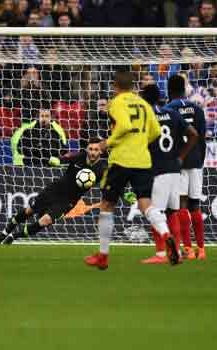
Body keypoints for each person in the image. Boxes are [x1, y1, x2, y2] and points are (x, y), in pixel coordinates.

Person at [84, 71, 179, 270]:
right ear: (133, 86)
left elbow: (125, 125)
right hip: (143, 161)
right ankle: (165, 233)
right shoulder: (144, 104)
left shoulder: (117, 102)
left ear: (115, 86)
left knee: (106, 205)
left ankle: (103, 255)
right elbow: (155, 131)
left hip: (121, 160)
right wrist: (139, 143)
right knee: (146, 204)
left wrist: (106, 143)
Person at [0, 138, 107, 244]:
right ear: (87, 149)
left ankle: (14, 236)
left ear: (101, 152)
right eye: (90, 149)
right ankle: (4, 232)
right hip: (55, 190)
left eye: (96, 150)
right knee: (30, 211)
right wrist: (57, 160)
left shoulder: (101, 170)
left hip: (68, 201)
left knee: (45, 221)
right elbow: (65, 158)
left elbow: (106, 185)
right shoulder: (79, 157)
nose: (92, 152)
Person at [139, 83, 199, 265]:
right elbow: (194, 134)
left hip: (157, 169)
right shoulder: (173, 113)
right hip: (175, 169)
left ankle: (160, 254)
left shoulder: (146, 116)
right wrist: (180, 157)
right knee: (173, 212)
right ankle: (177, 251)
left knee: (154, 212)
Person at [166, 74, 208, 260]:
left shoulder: (168, 109)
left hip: (179, 162)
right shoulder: (198, 110)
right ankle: (202, 250)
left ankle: (188, 249)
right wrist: (200, 160)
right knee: (195, 205)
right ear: (184, 89)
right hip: (196, 161)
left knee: (181, 205)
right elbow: (202, 137)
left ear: (168, 90)